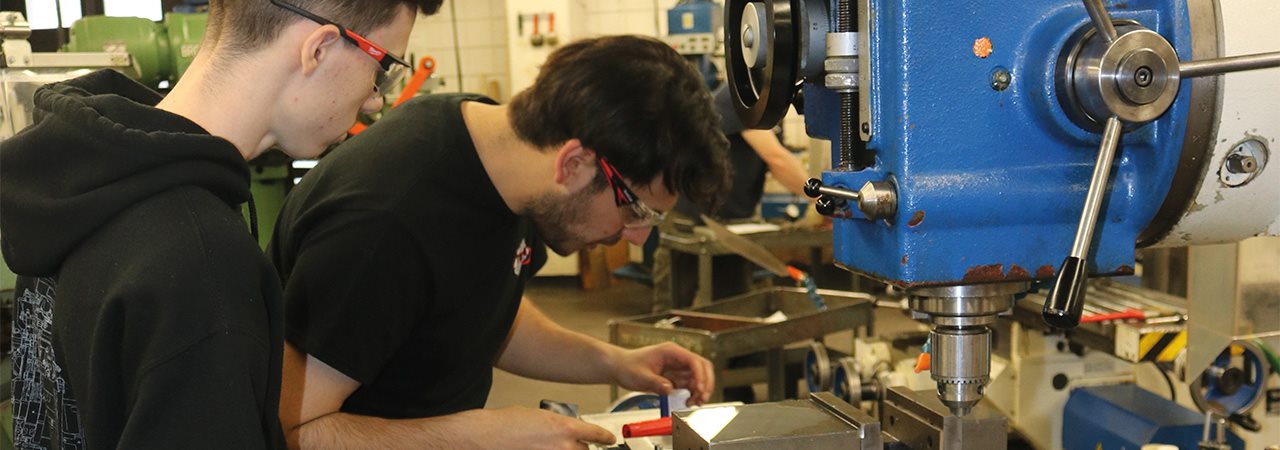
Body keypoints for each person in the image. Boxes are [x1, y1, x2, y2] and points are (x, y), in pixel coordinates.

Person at [0, 0, 438, 447]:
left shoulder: (80, 175)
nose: (375, 98)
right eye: (381, 65)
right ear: (319, 48)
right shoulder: (203, 265)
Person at [269, 35, 730, 449]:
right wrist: (475, 438)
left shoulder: (502, 160)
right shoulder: (381, 228)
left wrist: (615, 363)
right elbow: (292, 430)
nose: (637, 237)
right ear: (574, 163)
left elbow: (478, 307)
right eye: (636, 210)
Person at [651, 83, 813, 312]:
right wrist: (818, 197)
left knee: (733, 308)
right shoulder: (743, 96)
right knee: (673, 310)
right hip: (693, 219)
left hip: (731, 222)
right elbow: (777, 159)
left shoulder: (767, 107)